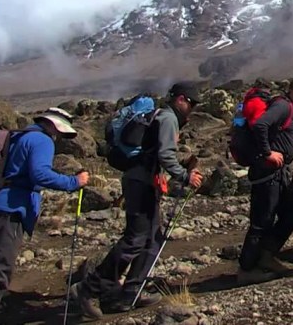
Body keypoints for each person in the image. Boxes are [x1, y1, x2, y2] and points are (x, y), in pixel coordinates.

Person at [73, 82, 204, 319]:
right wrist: (185, 176)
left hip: (142, 180)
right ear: (181, 99)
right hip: (140, 182)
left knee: (153, 237)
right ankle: (89, 289)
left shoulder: (161, 117)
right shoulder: (168, 118)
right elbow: (165, 154)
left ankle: (132, 291)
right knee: (136, 238)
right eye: (192, 104)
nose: (193, 110)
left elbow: (158, 153)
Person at [0, 109, 90, 325]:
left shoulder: (17, 137)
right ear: (52, 125)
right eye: (60, 132)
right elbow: (40, 174)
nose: (59, 137)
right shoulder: (41, 140)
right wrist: (74, 183)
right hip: (11, 210)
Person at [237, 71, 293, 284]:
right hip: (268, 174)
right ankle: (247, 269)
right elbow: (260, 125)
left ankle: (265, 256)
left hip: (278, 175)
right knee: (262, 221)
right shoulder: (283, 106)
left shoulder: (288, 107)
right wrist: (268, 153)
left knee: (292, 215)